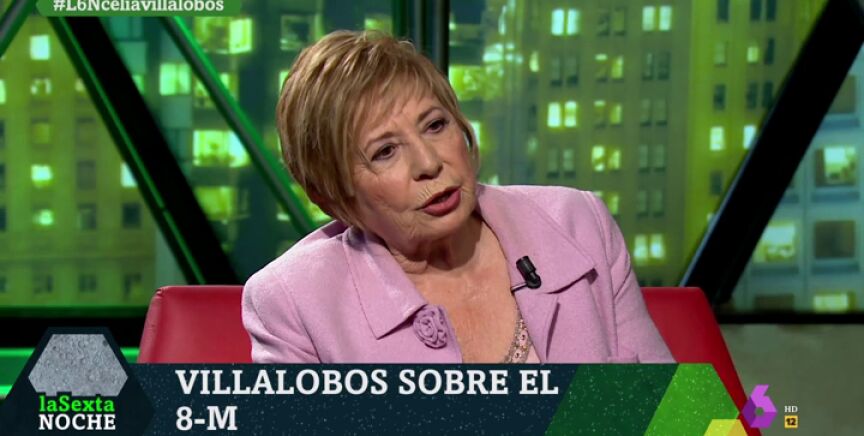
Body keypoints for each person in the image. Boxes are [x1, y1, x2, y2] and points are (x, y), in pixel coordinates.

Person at [242, 30, 674, 364]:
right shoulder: (294, 303)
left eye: (435, 125)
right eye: (385, 151)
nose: (429, 162)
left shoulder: (578, 223)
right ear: (331, 196)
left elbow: (677, 420)